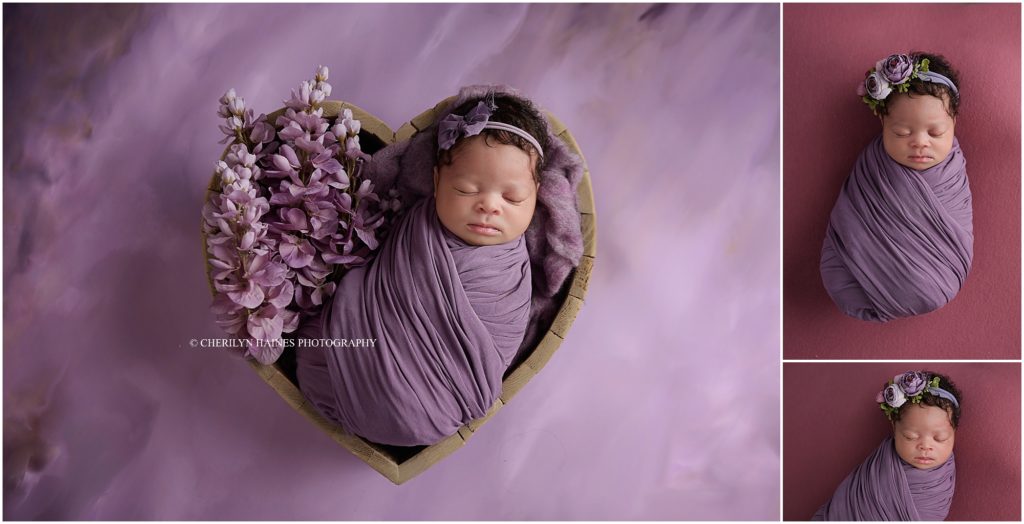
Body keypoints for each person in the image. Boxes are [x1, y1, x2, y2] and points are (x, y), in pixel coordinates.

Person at [293, 91, 551, 446]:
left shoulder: (507, 274)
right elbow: (379, 279)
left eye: (513, 198)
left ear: (537, 196)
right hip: (337, 371)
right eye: (465, 189)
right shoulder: (417, 224)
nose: (489, 206)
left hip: (438, 405)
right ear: (436, 181)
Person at [820, 52, 973, 322]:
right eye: (902, 133)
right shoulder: (874, 167)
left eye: (935, 132)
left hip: (938, 282)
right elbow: (851, 218)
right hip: (853, 281)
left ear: (954, 123)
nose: (919, 142)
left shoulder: (951, 175)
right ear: (883, 123)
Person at [813, 371, 960, 520]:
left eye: (940, 438)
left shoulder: (945, 475)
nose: (925, 446)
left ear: (954, 432)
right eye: (910, 437)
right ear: (895, 429)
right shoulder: (880, 467)